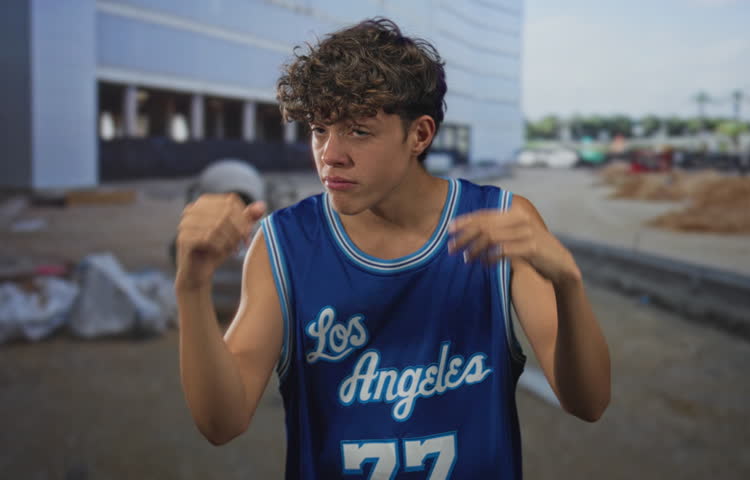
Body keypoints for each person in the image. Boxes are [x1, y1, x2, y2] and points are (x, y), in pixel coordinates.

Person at [176, 18, 610, 479]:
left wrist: (569, 284)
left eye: (358, 131)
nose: (330, 154)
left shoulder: (500, 223)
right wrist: (191, 288)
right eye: (320, 129)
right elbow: (222, 423)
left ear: (419, 135)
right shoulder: (284, 243)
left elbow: (589, 402)